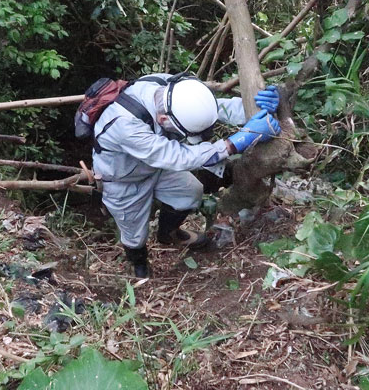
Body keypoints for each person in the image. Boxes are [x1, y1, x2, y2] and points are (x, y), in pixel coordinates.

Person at [91, 72, 281, 277]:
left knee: (191, 192)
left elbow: (209, 108)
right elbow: (177, 157)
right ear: (163, 119)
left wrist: (252, 106)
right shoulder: (125, 125)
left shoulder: (170, 87)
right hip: (124, 180)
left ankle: (168, 234)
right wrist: (237, 142)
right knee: (134, 234)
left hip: (155, 167)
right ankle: (139, 265)